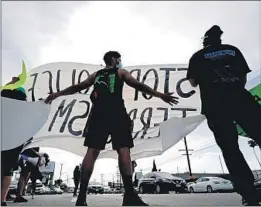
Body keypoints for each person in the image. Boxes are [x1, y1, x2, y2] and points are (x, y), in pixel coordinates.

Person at [45, 51, 179, 206]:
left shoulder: (96, 75)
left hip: (98, 114)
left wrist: (57, 94)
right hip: (116, 112)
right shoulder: (120, 72)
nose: (120, 62)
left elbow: (78, 86)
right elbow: (138, 85)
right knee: (123, 149)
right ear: (115, 60)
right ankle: (129, 195)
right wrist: (160, 95)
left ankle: (81, 196)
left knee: (92, 151)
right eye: (119, 59)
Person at [186, 25, 261, 206]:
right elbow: (243, 77)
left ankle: (249, 194)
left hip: (215, 106)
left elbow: (193, 83)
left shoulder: (197, 56)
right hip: (241, 100)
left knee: (230, 149)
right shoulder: (233, 50)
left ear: (205, 41)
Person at [1, 77, 27, 206]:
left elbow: (3, 90)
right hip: (14, 142)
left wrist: (12, 82)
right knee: (7, 171)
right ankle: (2, 199)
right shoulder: (23, 111)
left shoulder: (3, 105)